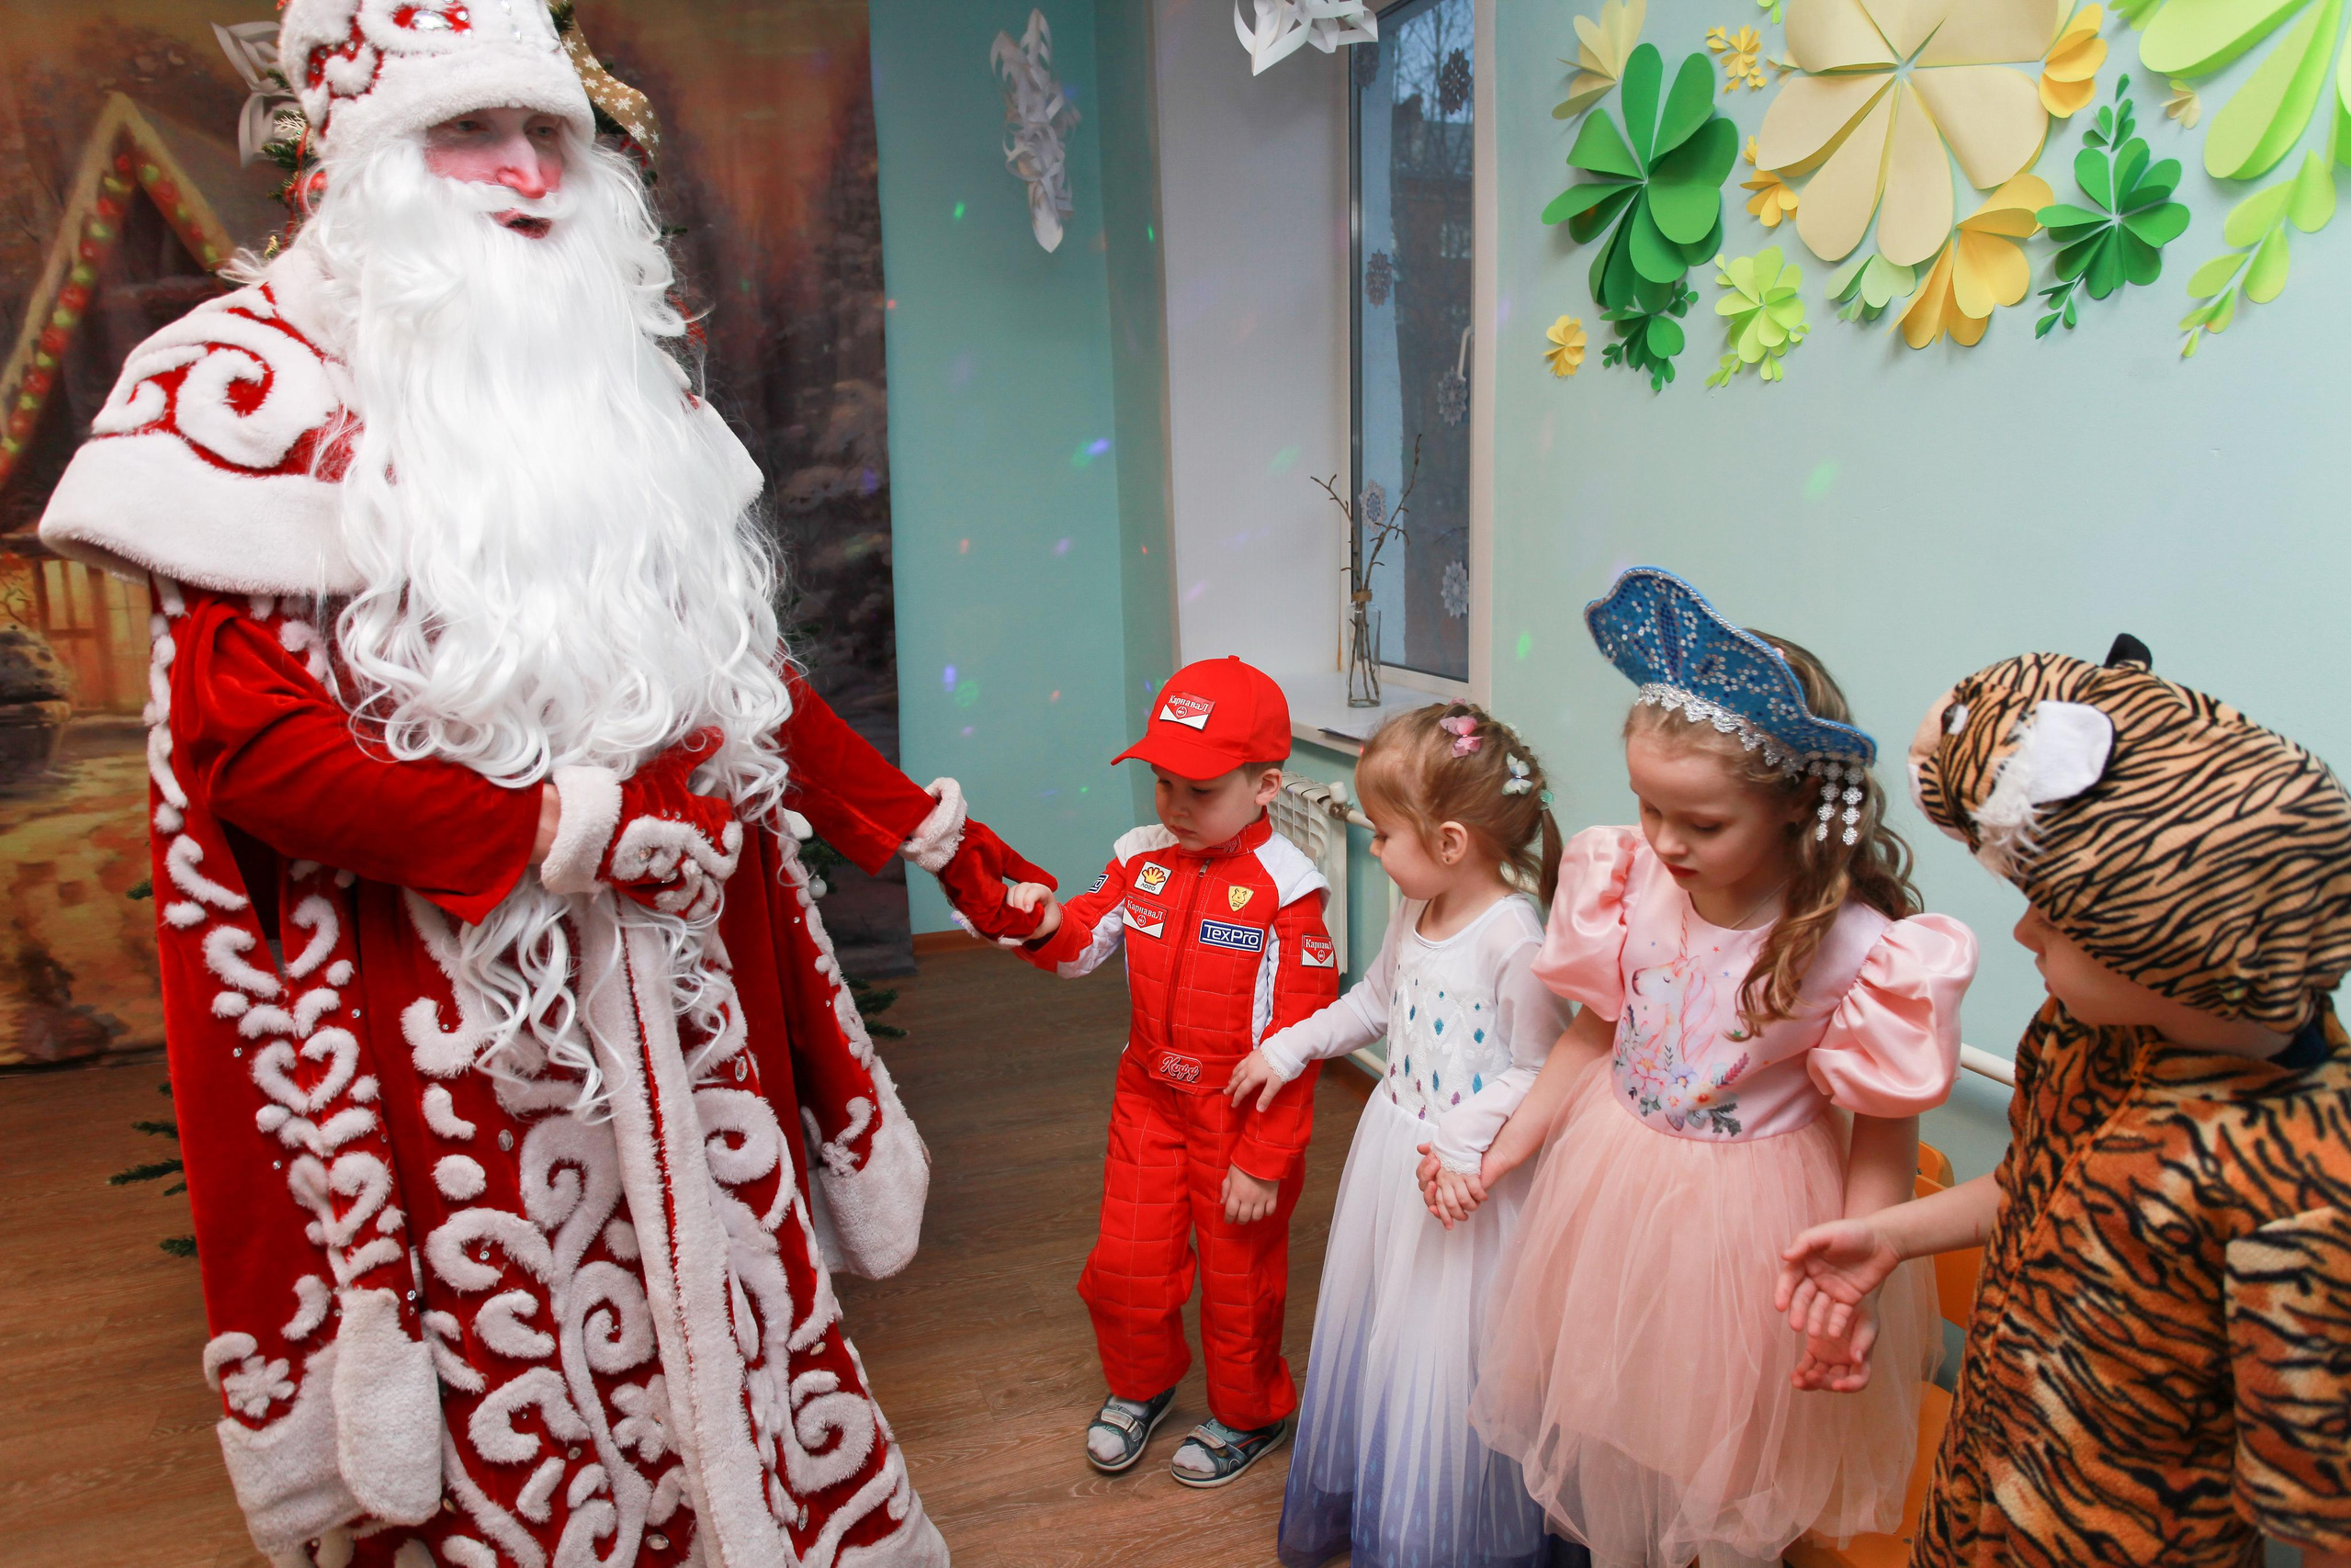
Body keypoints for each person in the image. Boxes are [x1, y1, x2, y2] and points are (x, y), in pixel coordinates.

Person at [36, 5, 1054, 1563]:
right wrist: (564, 834)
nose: (522, 170)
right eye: (469, 133)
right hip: (441, 1034)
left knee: (746, 1343)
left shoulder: (624, 383)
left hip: (686, 1003)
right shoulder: (238, 389)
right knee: (524, 1401)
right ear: (366, 162)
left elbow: (735, 685)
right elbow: (256, 756)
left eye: (550, 134)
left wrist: (931, 833)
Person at [1440, 568, 1977, 1568]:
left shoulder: (1859, 949)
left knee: (1721, 1456)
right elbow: (1592, 1038)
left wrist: (1856, 1270)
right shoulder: (1623, 881)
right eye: (1649, 808)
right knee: (1616, 1411)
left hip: (1753, 1229)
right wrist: (1504, 1149)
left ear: (1790, 809)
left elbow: (1881, 1130)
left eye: (1701, 823)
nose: (1663, 842)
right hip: (1613, 1186)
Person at [1776, 638, 2351, 1568]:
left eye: (2057, 914)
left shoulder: (2301, 1181)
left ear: (2168, 944)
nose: (2023, 930)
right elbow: (2045, 1189)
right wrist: (1893, 1236)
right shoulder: (2089, 1035)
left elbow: (2321, 1510)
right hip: (1976, 1501)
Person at [1226, 704, 1577, 1568]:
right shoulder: (1415, 909)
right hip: (1396, 1156)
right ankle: (1395, 1504)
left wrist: (1462, 1137)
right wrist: (1292, 1041)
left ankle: (1458, 1532)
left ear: (1450, 841)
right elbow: (1375, 1001)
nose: (1372, 849)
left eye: (1382, 833)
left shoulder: (1514, 937)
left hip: (1467, 1181)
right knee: (1387, 1331)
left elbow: (1543, 1067)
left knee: (1448, 1354)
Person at [1006, 656, 1339, 1485]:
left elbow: (1300, 1040)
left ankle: (1248, 1413)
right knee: (1127, 1260)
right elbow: (1081, 944)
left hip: (1239, 1115)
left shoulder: (1290, 891)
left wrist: (1265, 1158)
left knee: (1238, 1280)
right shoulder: (1138, 856)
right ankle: (1140, 1385)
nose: (1176, 808)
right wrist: (1043, 920)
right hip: (1149, 1097)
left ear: (1266, 785)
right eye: (1164, 784)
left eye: (1201, 790)